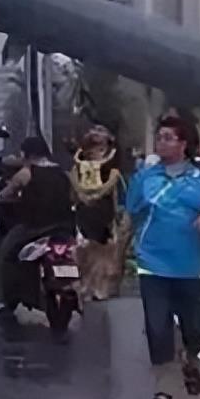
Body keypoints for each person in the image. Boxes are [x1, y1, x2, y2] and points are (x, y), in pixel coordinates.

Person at [126, 112, 200, 399]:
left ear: (184, 144)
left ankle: (189, 359)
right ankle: (163, 389)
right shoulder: (146, 177)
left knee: (196, 328)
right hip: (152, 263)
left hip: (189, 267)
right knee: (157, 327)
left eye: (167, 138)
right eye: (159, 137)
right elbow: (130, 211)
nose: (161, 143)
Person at [0, 136, 74, 321]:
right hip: (64, 228)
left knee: (6, 253)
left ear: (28, 154)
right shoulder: (63, 173)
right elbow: (74, 197)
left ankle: (5, 302)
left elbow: (6, 193)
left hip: (34, 228)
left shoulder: (26, 173)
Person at [70, 125, 124, 301]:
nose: (97, 152)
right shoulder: (78, 168)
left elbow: (113, 190)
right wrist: (82, 197)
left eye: (101, 148)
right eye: (93, 148)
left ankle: (100, 287)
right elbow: (74, 187)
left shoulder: (111, 170)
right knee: (84, 250)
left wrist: (114, 211)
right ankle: (85, 285)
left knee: (103, 252)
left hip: (103, 212)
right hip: (84, 212)